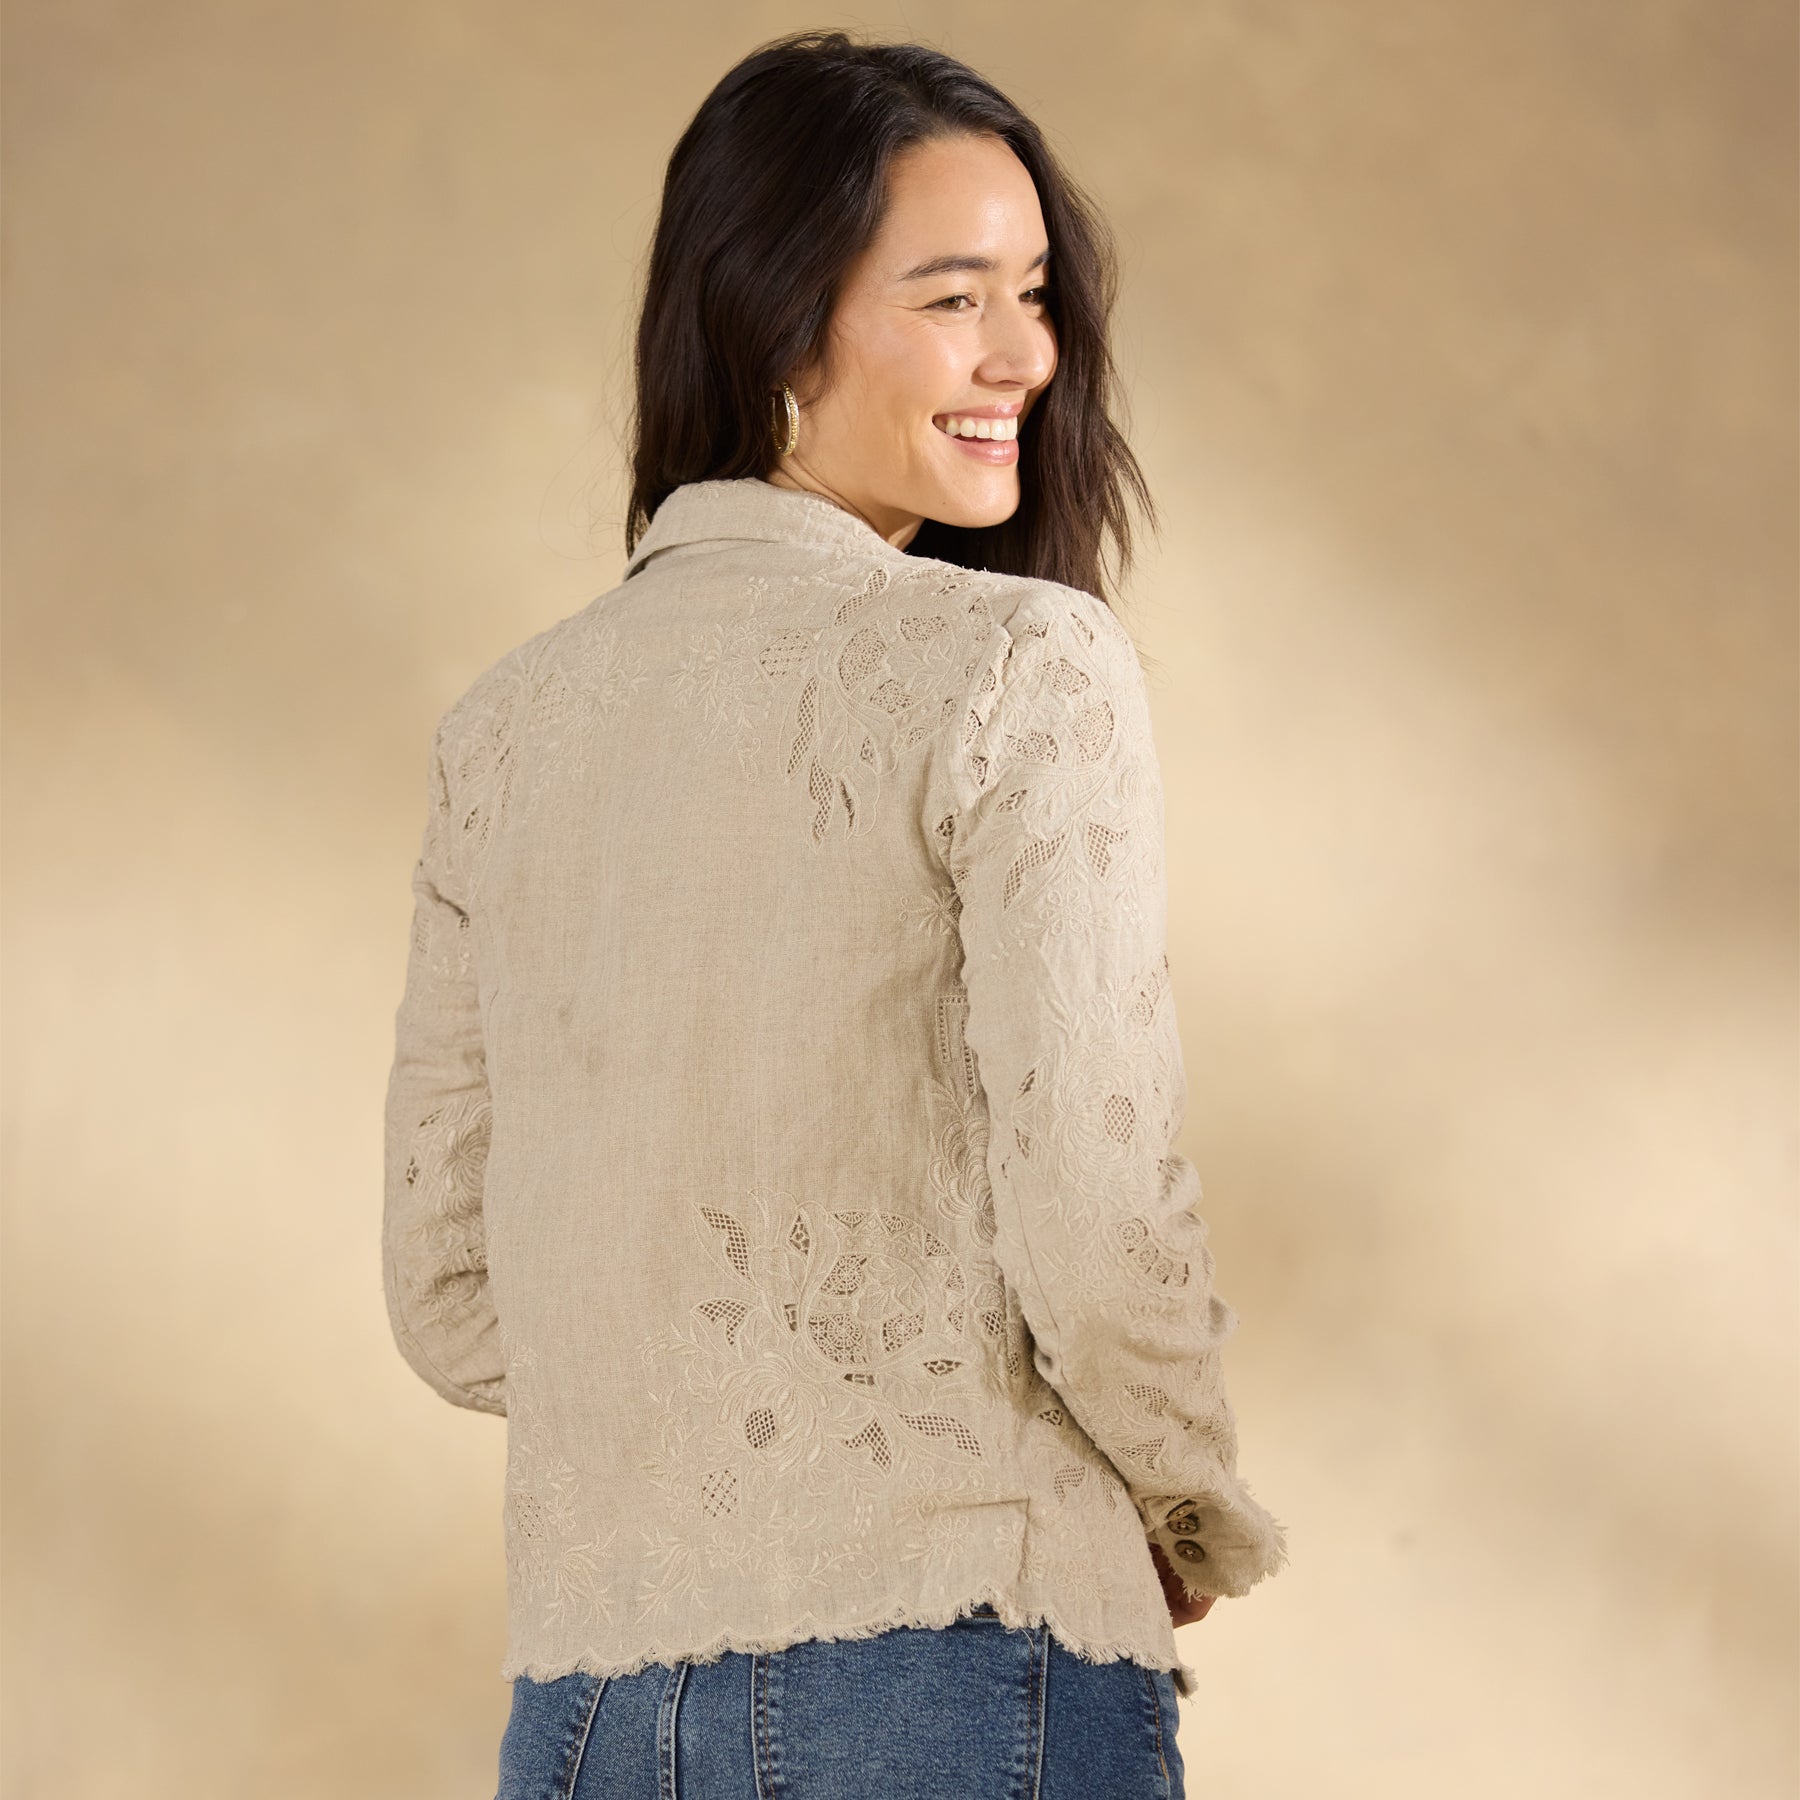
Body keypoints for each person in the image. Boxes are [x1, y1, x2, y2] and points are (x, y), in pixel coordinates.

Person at [381, 28, 1288, 1800]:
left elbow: (448, 1288)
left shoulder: (504, 731)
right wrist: (1189, 1505)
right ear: (778, 321)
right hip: (959, 1664)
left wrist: (695, 1418)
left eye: (1033, 293)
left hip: (587, 1712)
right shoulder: (1023, 662)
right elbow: (1097, 1219)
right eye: (955, 298)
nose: (1026, 353)